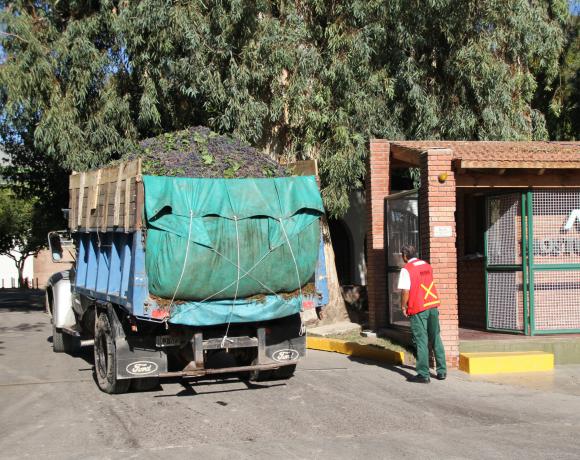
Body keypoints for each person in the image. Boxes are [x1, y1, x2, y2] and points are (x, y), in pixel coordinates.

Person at [397, 244, 447, 383]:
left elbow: (405, 291)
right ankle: (442, 371)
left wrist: (403, 306)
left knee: (421, 340)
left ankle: (423, 374)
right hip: (432, 305)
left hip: (418, 307)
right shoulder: (427, 265)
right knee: (436, 337)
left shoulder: (407, 269)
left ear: (405, 256)